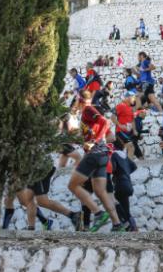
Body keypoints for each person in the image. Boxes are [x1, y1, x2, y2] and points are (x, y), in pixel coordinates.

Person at [67, 91, 125, 232]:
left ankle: (98, 213)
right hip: (102, 155)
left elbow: (104, 121)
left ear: (79, 100)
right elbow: (88, 135)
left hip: (95, 154)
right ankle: (117, 224)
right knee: (100, 191)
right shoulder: (84, 115)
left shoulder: (87, 109)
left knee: (72, 185)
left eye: (74, 101)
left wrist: (94, 141)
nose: (73, 105)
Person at [111, 136, 138, 231]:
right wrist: (126, 173)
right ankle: (131, 227)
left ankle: (129, 225)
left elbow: (113, 168)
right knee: (126, 209)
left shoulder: (114, 155)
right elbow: (134, 166)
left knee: (114, 205)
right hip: (128, 185)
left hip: (120, 185)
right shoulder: (124, 155)